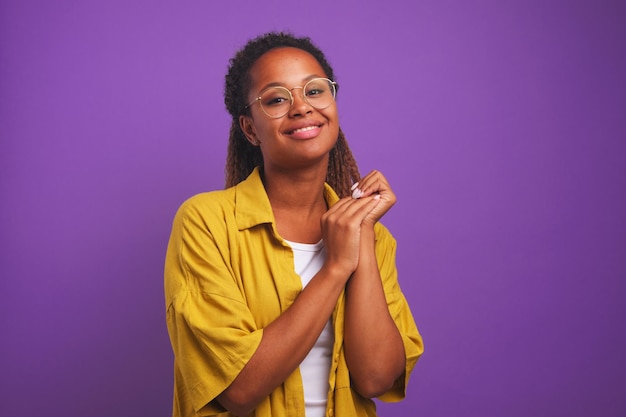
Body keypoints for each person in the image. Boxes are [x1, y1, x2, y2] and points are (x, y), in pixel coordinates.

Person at [164, 32, 424, 417]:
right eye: (277, 99)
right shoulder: (205, 223)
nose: (302, 107)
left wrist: (362, 237)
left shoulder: (372, 235)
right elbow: (239, 389)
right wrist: (336, 268)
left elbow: (376, 379)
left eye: (315, 91)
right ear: (250, 129)